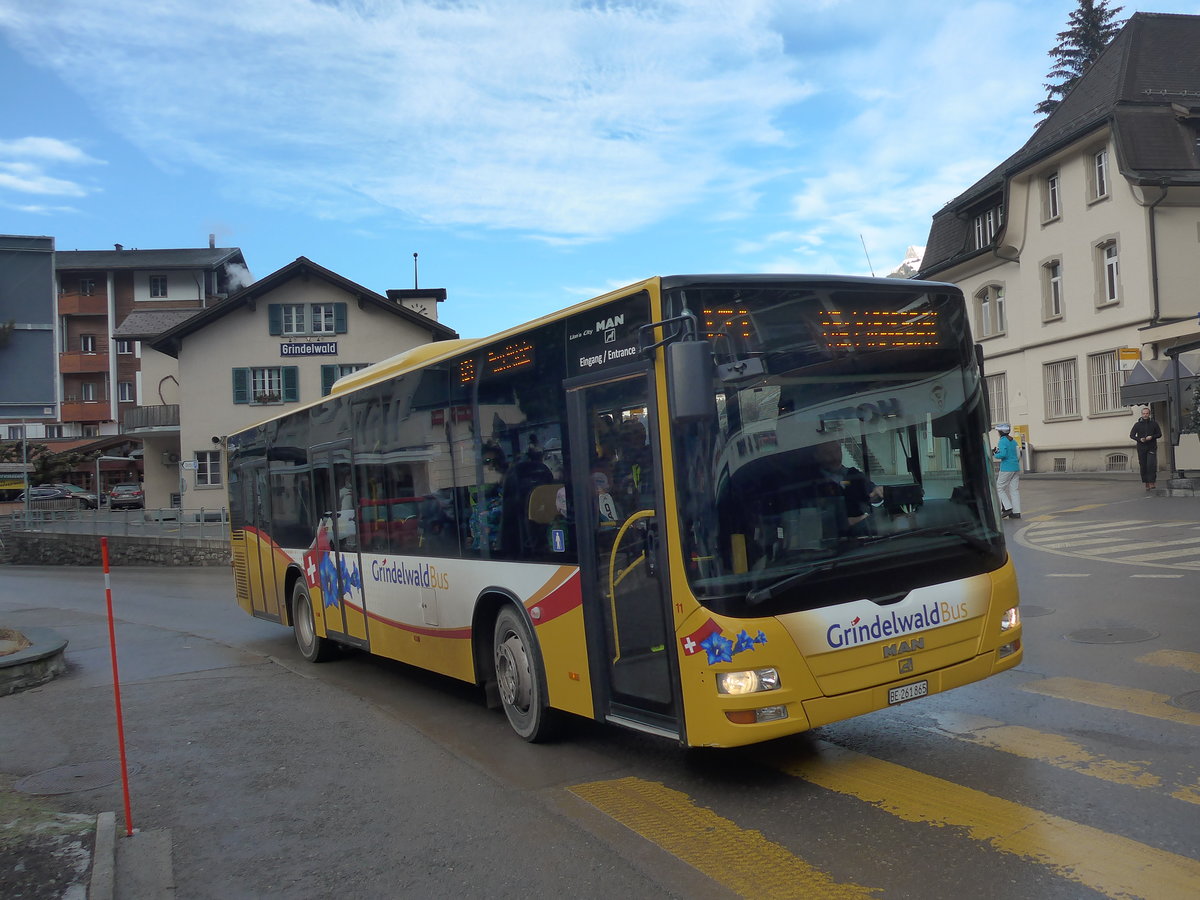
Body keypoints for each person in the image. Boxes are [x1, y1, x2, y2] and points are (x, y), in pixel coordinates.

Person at [810, 440, 883, 536]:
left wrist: (878, 493)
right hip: (830, 543)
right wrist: (847, 522)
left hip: (865, 538)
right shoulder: (810, 483)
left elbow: (873, 494)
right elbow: (810, 521)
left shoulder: (855, 475)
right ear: (817, 456)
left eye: (837, 451)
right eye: (828, 453)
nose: (835, 457)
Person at [1129, 406, 1162, 491]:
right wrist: (1139, 439)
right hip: (1141, 447)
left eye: (1147, 413)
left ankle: (1152, 482)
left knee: (1151, 465)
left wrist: (1152, 437)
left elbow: (1159, 434)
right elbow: (1132, 435)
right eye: (1144, 413)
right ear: (1141, 414)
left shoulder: (1154, 424)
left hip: (1151, 447)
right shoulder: (1137, 425)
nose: (1145, 415)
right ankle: (1146, 482)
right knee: (1143, 465)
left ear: (1149, 414)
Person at [993, 424, 1021, 519]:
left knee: (999, 488)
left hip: (1006, 468)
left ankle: (1007, 508)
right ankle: (1017, 512)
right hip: (1016, 467)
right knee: (1014, 490)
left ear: (1001, 432)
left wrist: (995, 453)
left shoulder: (1002, 441)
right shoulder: (1013, 441)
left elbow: (1003, 454)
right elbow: (1018, 454)